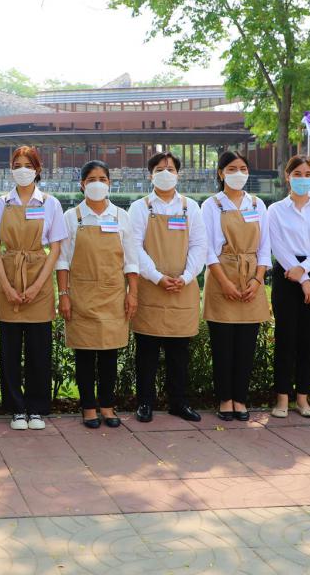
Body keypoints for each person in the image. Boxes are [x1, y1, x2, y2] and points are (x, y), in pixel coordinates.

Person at [0, 146, 67, 431]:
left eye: (27, 165)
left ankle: (37, 408)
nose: (22, 170)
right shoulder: (1, 203)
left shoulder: (50, 203)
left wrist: (37, 286)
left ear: (37, 169)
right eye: (17, 165)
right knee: (9, 351)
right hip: (9, 274)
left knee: (39, 349)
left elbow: (55, 249)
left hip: (39, 276)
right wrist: (6, 285)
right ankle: (16, 409)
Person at [56, 161, 138, 429]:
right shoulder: (72, 217)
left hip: (113, 294)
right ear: (82, 184)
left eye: (103, 179)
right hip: (81, 295)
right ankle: (88, 407)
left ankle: (107, 405)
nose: (97, 184)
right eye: (91, 179)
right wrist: (63, 294)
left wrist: (132, 293)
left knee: (109, 355)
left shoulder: (121, 216)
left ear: (110, 183)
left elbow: (131, 261)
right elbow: (62, 261)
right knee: (85, 355)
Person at [128, 152, 206, 423]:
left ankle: (178, 402)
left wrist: (186, 276)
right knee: (146, 351)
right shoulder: (139, 208)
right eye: (159, 169)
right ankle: (145, 402)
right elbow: (134, 247)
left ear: (178, 174)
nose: (165, 173)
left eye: (170, 169)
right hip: (151, 287)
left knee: (179, 352)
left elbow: (199, 245)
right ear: (150, 175)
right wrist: (156, 276)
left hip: (182, 288)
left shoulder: (190, 207)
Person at [200, 151, 270, 423]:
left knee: (246, 345)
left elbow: (265, 247)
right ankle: (224, 399)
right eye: (231, 168)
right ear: (221, 173)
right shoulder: (211, 205)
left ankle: (240, 398)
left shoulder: (257, 204)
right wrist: (225, 282)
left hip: (251, 277)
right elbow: (207, 248)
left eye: (242, 168)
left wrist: (257, 279)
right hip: (222, 274)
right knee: (223, 345)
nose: (238, 173)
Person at [266, 155, 310, 419]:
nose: (303, 179)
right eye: (297, 174)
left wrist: (305, 272)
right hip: (287, 274)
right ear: (287, 176)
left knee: (309, 340)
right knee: (285, 338)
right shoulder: (275, 210)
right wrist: (303, 279)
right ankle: (282, 398)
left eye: (308, 174)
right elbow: (277, 245)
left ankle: (303, 398)